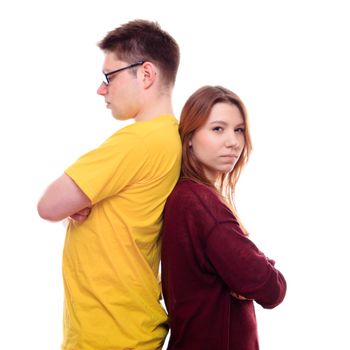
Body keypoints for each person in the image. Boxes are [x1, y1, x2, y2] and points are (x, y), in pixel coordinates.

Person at [37, 19, 181, 350]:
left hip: (107, 336)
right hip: (130, 330)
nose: (102, 89)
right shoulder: (171, 139)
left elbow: (48, 205)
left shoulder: (136, 142)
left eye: (109, 77)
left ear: (146, 75)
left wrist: (76, 204)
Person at [161, 85, 287, 350]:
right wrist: (255, 272)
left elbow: (250, 275)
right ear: (190, 137)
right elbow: (271, 287)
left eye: (238, 130)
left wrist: (243, 274)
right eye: (218, 129)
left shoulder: (187, 196)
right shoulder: (202, 205)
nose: (233, 141)